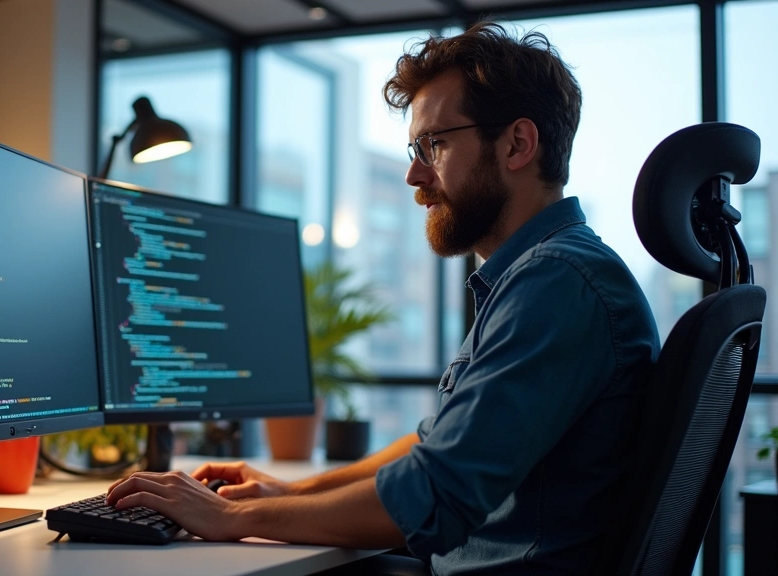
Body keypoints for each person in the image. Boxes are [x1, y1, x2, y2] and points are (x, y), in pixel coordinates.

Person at [106, 21, 660, 575]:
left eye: (435, 144)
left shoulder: (558, 283)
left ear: (518, 144)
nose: (414, 173)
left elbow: (433, 493)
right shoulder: (540, 276)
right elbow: (435, 447)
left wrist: (232, 520)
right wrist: (287, 493)